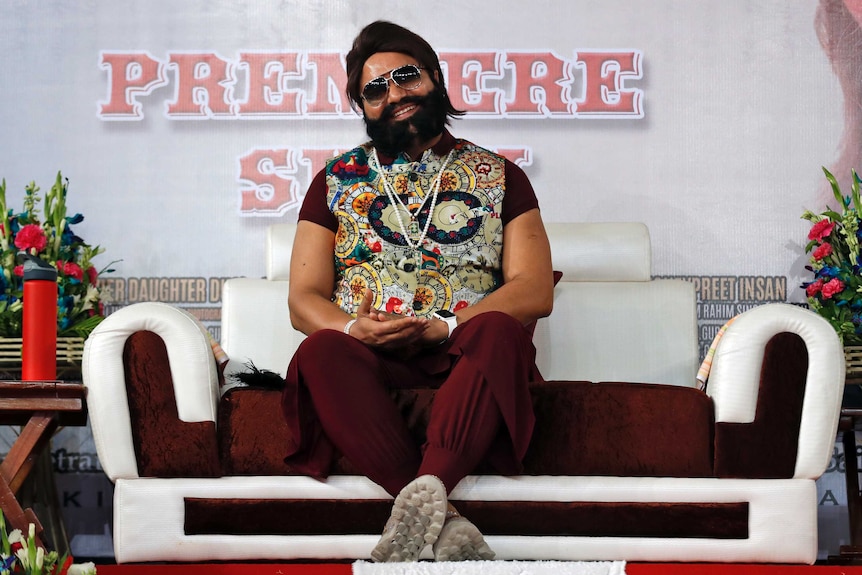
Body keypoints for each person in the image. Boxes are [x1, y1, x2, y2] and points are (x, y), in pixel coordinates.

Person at [281, 20, 554, 563]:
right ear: (363, 105)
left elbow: (535, 288)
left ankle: (420, 501)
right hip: (372, 358)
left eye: (406, 77)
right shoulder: (336, 180)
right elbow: (302, 298)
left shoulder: (499, 175)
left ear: (434, 77)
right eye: (375, 89)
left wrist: (450, 325)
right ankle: (442, 515)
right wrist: (351, 327)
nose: (395, 95)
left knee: (499, 330)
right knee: (321, 348)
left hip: (464, 354)